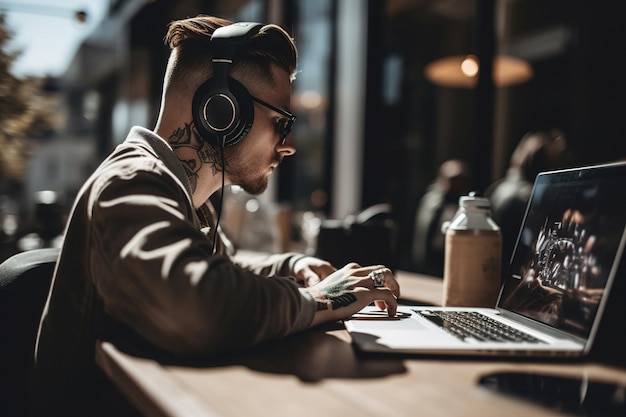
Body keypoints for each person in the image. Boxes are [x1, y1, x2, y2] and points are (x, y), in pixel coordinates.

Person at [32, 15, 400, 416]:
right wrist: (318, 299)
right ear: (220, 110)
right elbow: (198, 303)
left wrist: (293, 266)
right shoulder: (131, 183)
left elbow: (222, 267)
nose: (290, 145)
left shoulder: (181, 196)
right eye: (281, 123)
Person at [484, 129, 571, 273]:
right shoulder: (530, 195)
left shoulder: (498, 186)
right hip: (509, 274)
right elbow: (534, 246)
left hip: (491, 268)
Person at [411, 159, 469, 276]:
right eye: (452, 180)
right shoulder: (431, 201)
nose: (454, 184)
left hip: (454, 255)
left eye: (459, 180)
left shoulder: (466, 206)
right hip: (431, 255)